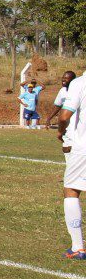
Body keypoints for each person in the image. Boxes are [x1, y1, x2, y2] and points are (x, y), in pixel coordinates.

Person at [56, 75, 86, 260]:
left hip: (83, 148)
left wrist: (61, 131)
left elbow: (64, 115)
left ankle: (78, 247)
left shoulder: (80, 83)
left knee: (71, 190)